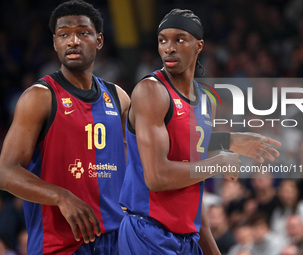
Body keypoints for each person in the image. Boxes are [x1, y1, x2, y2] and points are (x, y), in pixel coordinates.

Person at [118, 8, 281, 255]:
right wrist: (219, 161)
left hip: (188, 237)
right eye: (162, 40)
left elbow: (192, 187)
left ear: (199, 45)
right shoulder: (151, 91)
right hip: (147, 231)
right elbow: (157, 177)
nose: (168, 48)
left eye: (179, 40)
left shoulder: (206, 100)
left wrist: (230, 140)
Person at [0, 1, 130, 254]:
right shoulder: (39, 97)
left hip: (117, 240)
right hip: (60, 244)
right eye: (64, 35)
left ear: (99, 40)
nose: (73, 41)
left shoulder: (119, 97)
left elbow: (138, 162)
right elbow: (5, 172)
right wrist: (61, 196)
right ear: (55, 43)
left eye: (82, 33)